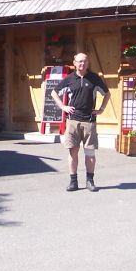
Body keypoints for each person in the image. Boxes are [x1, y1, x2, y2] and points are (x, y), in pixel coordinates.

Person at [52, 52, 111, 192]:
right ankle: (73, 182)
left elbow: (107, 93)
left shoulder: (94, 78)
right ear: (74, 63)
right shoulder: (69, 79)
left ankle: (90, 181)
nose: (82, 64)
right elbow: (54, 92)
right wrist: (63, 106)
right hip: (73, 121)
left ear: (88, 63)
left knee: (90, 153)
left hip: (89, 121)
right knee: (73, 152)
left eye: (84, 61)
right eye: (79, 61)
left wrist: (101, 109)